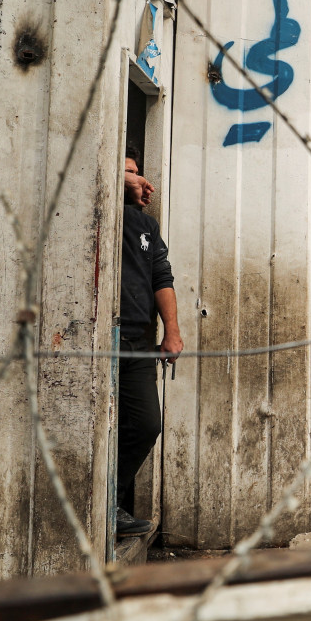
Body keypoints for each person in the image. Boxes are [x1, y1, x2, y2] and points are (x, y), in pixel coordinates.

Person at [118, 144, 183, 538]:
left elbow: (162, 278)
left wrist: (171, 332)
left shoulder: (146, 226)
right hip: (96, 340)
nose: (142, 182)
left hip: (138, 342)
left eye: (139, 172)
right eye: (130, 173)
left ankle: (110, 505)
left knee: (145, 425)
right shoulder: (97, 208)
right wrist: (120, 180)